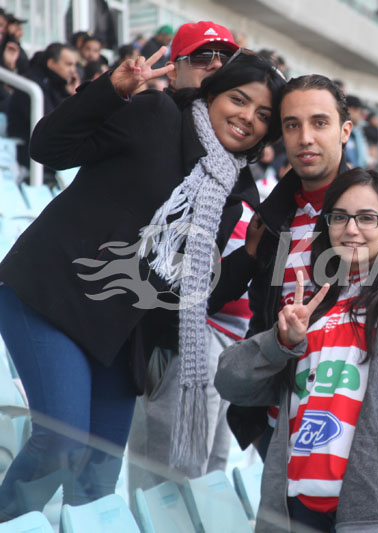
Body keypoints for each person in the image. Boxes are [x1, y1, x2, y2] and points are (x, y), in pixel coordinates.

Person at [0, 47, 283, 520]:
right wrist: (109, 92)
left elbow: (195, 294)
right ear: (211, 92)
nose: (246, 118)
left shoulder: (230, 193)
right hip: (52, 298)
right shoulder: (156, 113)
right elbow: (47, 149)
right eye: (239, 99)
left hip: (120, 336)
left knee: (97, 476)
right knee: (64, 440)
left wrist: (249, 258)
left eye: (262, 115)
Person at [216, 168, 378, 532]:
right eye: (340, 217)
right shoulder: (315, 303)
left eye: (367, 218)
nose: (351, 229)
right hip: (293, 506)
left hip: (365, 512)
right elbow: (229, 381)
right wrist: (281, 343)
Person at [225, 74, 378, 460]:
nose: (305, 137)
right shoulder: (272, 222)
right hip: (282, 428)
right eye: (292, 125)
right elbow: (262, 321)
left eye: (319, 123)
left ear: (345, 131)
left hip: (367, 431)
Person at [126, 21, 274, 493]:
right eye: (201, 57)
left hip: (227, 336)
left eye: (224, 59)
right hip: (175, 336)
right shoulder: (160, 127)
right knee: (167, 478)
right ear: (175, 69)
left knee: (208, 472)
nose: (213, 67)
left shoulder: (237, 163)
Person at [7, 42, 79, 183]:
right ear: (52, 63)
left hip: (48, 156)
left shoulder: (58, 86)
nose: (73, 71)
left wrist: (71, 95)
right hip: (29, 157)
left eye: (74, 65)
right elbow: (53, 123)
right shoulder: (31, 86)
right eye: (68, 64)